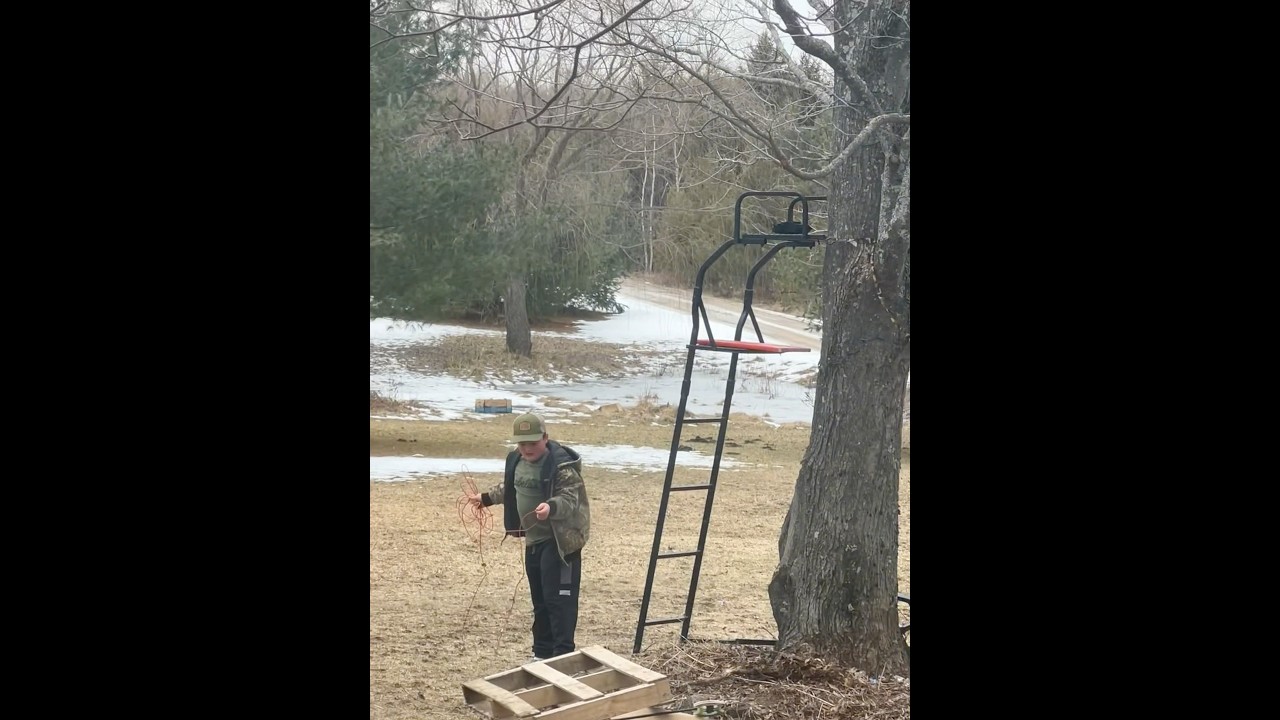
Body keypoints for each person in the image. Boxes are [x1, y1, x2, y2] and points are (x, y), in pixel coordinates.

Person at [466, 412, 591, 661]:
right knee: (541, 600)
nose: (527, 448)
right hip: (534, 542)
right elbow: (511, 486)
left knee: (559, 602)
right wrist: (487, 498)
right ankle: (541, 654)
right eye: (522, 443)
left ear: (545, 438)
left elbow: (570, 499)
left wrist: (551, 507)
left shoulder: (562, 465)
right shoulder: (516, 460)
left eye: (533, 442)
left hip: (560, 544)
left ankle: (562, 655)